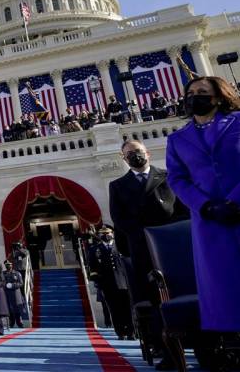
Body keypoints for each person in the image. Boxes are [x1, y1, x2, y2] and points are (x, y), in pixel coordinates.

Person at [165, 76, 240, 333]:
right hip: (210, 221)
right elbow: (177, 179)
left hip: (238, 208)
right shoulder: (177, 139)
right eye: (191, 92)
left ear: (218, 96)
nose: (195, 96)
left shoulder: (238, 122)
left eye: (202, 92)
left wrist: (235, 200)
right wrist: (205, 205)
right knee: (224, 285)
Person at [108, 139, 187, 368]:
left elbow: (183, 210)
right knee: (155, 301)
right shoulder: (118, 185)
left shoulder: (168, 176)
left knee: (182, 291)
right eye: (129, 154)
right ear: (123, 159)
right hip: (143, 249)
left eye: (138, 151)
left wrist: (169, 232)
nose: (135, 156)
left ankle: (201, 345)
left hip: (174, 247)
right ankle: (168, 351)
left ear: (148, 153)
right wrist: (145, 233)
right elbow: (119, 219)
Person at [87, 227, 134, 340]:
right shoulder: (94, 250)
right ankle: (120, 332)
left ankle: (131, 332)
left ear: (112, 233)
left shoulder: (121, 246)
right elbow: (92, 269)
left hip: (123, 283)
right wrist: (99, 283)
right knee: (114, 309)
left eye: (107, 233)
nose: (105, 235)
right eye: (102, 233)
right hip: (107, 285)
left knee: (127, 308)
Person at [2, 261, 24, 328]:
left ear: (12, 265)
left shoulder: (17, 273)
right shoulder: (3, 274)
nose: (8, 266)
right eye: (7, 265)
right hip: (7, 293)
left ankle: (19, 322)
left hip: (15, 293)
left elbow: (21, 283)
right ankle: (12, 322)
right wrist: (5, 285)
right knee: (9, 308)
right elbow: (1, 282)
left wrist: (12, 285)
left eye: (9, 264)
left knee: (17, 308)